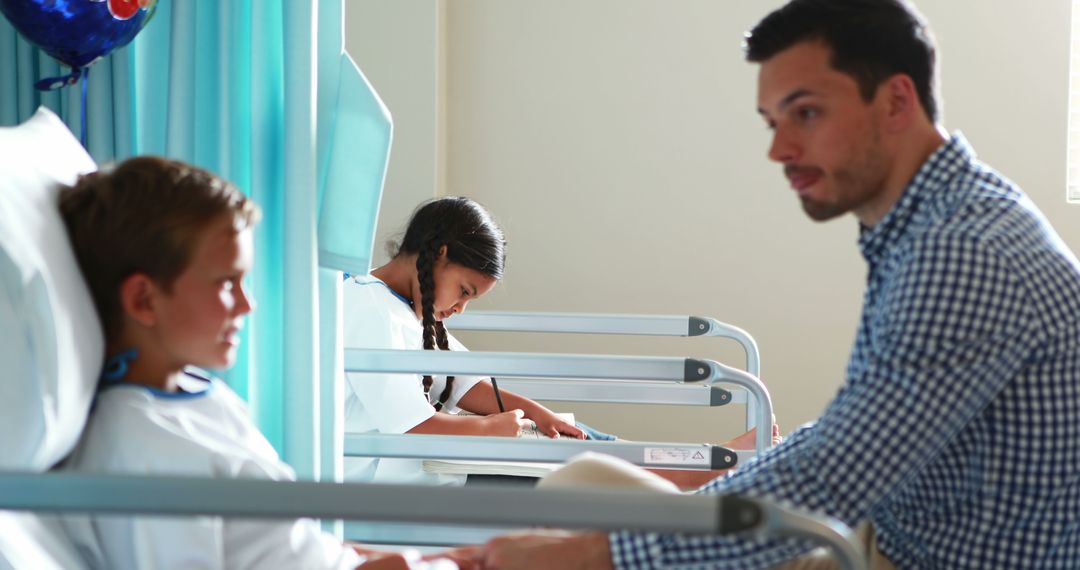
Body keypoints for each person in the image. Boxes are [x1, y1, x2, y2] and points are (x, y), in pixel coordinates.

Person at [461, 0, 1080, 568]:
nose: (779, 149)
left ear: (895, 101)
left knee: (579, 527)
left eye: (806, 113)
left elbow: (834, 476)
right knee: (583, 487)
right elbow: (848, 437)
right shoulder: (939, 221)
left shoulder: (963, 253)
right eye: (772, 122)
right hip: (886, 534)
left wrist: (602, 555)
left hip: (913, 558)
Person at [55, 156, 454, 570]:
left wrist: (439, 559)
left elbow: (293, 547)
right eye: (226, 283)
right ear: (143, 299)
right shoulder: (140, 452)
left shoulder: (199, 397)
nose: (248, 304)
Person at [343, 197, 763, 488]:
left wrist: (540, 415)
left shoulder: (409, 309)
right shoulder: (371, 309)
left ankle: (700, 462)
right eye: (465, 291)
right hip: (417, 475)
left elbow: (464, 384)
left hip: (447, 457)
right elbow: (414, 427)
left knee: (573, 438)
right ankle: (699, 470)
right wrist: (488, 430)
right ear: (440, 255)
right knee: (582, 478)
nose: (460, 308)